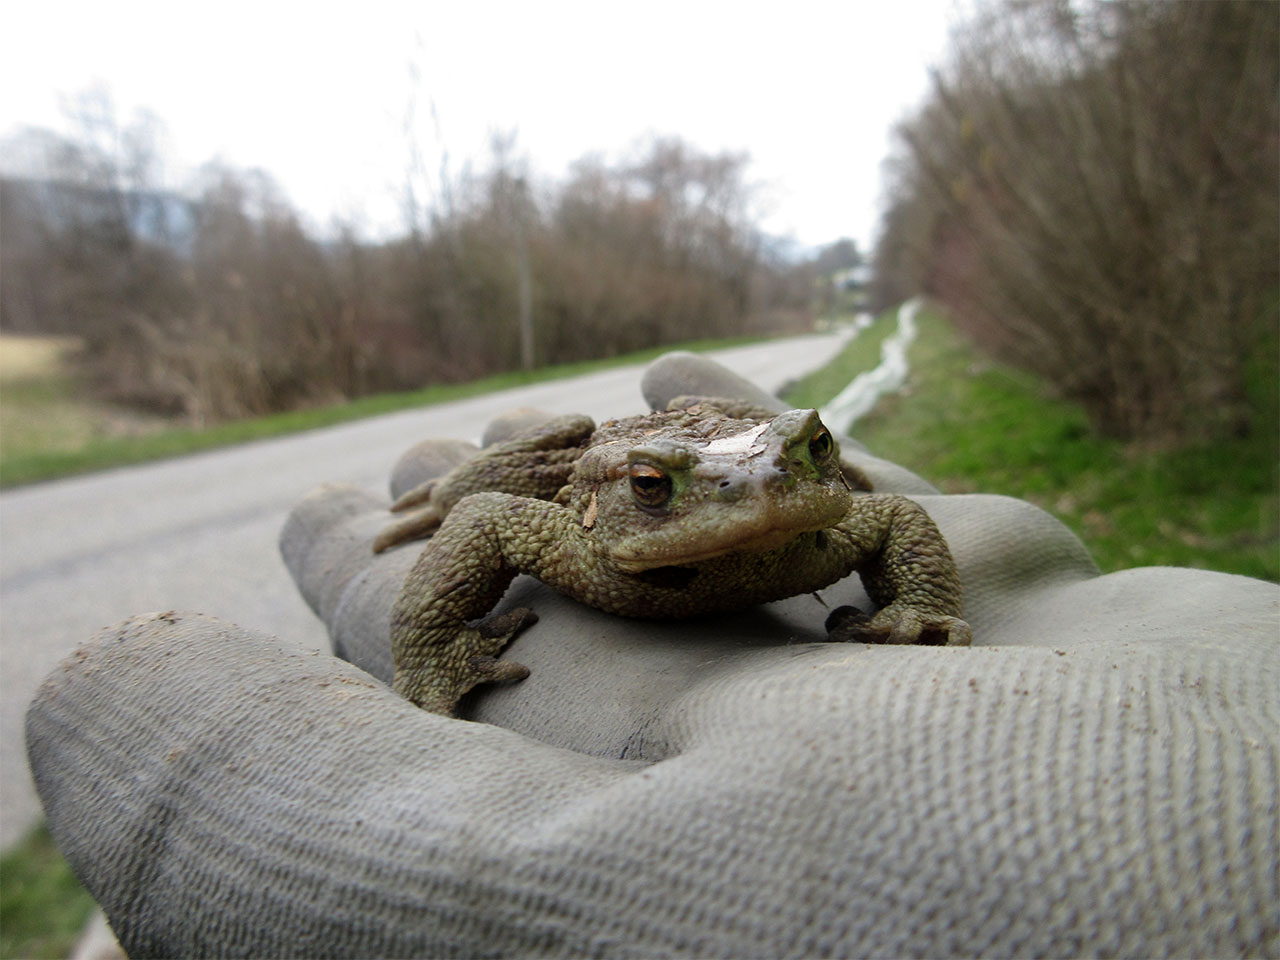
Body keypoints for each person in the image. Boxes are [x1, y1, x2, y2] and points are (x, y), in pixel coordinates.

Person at [26, 353, 1279, 958]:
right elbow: (491, 522)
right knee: (505, 464)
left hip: (705, 464)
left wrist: (913, 606)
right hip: (599, 477)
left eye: (810, 460)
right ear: (623, 496)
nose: (793, 498)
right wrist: (433, 642)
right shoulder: (578, 529)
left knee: (774, 487)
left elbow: (892, 519)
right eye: (659, 489)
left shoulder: (814, 524)